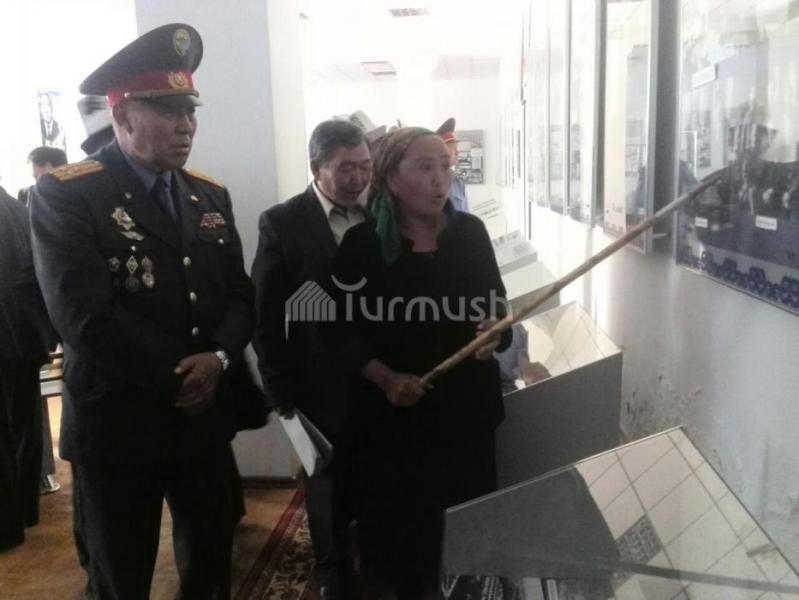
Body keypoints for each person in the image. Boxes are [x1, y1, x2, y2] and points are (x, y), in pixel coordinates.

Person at [30, 23, 256, 599]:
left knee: (210, 563)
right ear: (123, 116)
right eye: (168, 110)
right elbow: (83, 316)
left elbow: (240, 294)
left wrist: (219, 360)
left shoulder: (207, 194)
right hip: (119, 420)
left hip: (202, 418)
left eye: (190, 111)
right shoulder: (69, 194)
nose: (186, 125)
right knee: (120, 573)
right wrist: (183, 374)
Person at [326, 127, 511, 598]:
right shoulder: (363, 245)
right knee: (405, 550)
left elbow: (500, 308)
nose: (439, 180)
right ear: (392, 179)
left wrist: (494, 333)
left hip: (466, 421)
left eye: (445, 167)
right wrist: (387, 379)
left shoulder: (470, 234)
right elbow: (338, 335)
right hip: (395, 426)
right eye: (425, 168)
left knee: (469, 542)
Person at [252, 119, 372, 599]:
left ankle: (373, 561)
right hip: (317, 381)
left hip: (377, 375)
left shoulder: (380, 213)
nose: (357, 178)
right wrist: (279, 388)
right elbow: (266, 311)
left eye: (364, 166)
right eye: (346, 168)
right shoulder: (283, 222)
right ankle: (331, 572)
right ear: (317, 167)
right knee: (326, 485)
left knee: (373, 476)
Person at [0, 184, 54, 550]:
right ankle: (26, 510)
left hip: (5, 336)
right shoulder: (17, 209)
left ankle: (6, 527)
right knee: (25, 427)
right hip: (25, 336)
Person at [437, 117, 469, 212]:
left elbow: (466, 213)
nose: (457, 153)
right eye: (453, 150)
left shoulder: (458, 182)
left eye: (457, 149)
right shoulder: (429, 182)